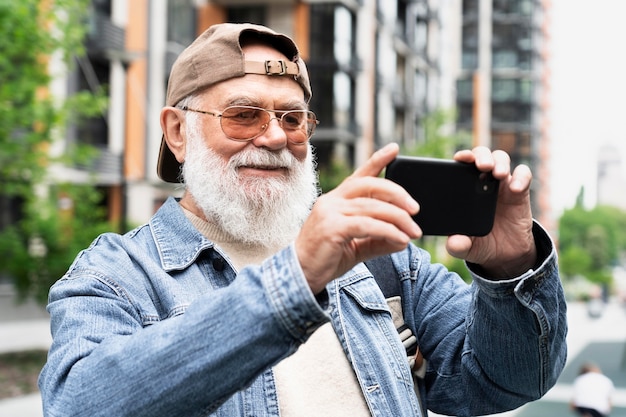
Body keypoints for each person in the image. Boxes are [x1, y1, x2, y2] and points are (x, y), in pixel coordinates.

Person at [38, 22, 567, 417]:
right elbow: (79, 403)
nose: (272, 137)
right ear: (177, 131)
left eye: (292, 119)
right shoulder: (117, 274)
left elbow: (505, 379)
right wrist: (296, 278)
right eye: (243, 114)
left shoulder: (384, 257)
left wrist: (510, 268)